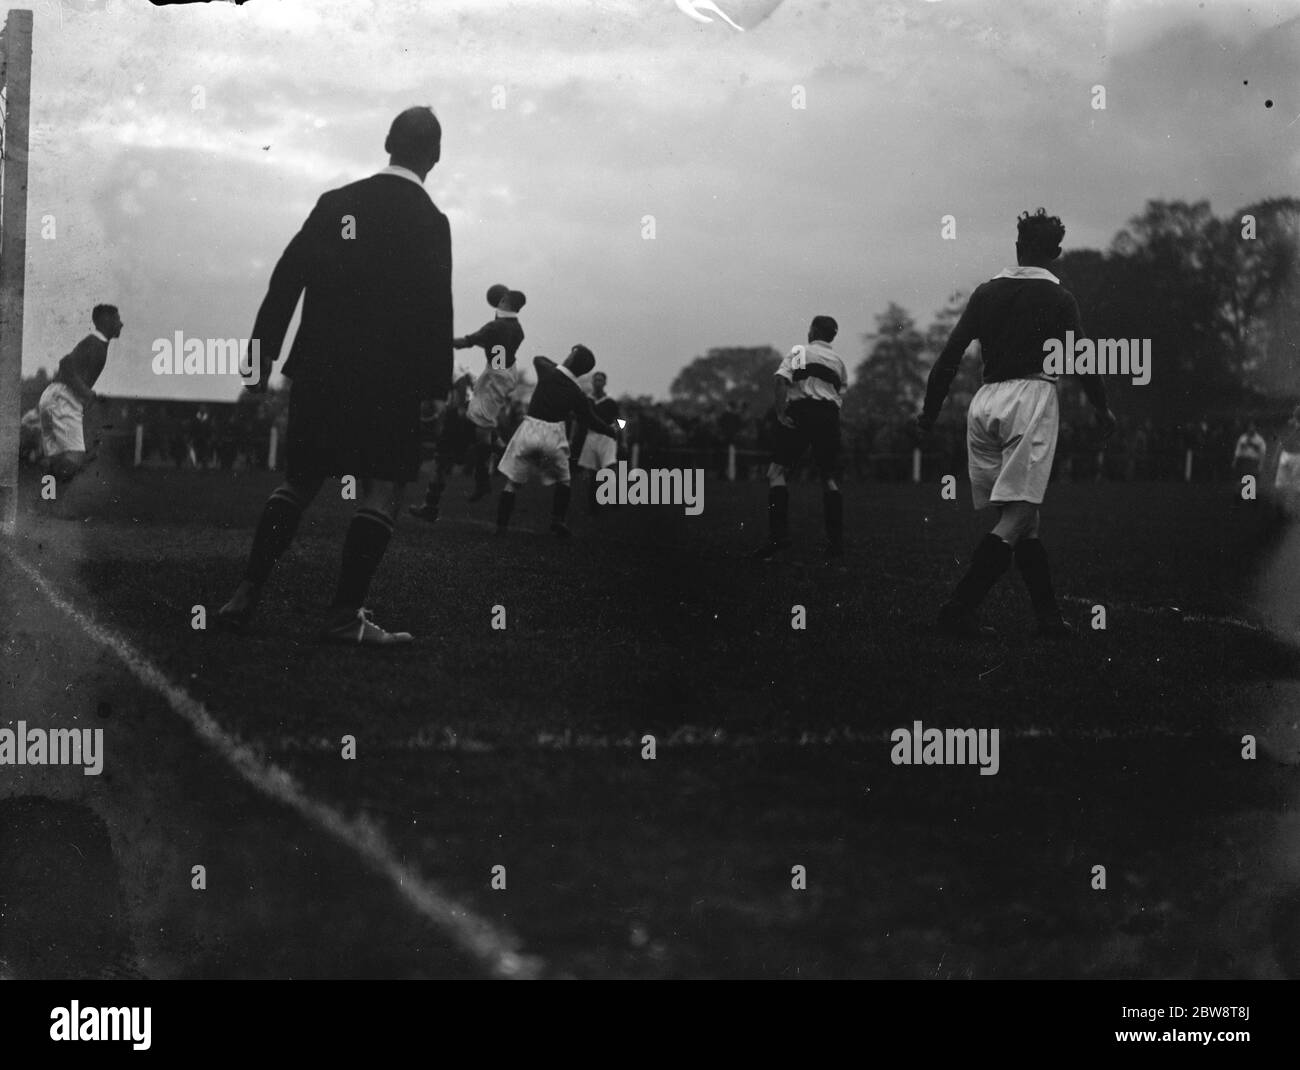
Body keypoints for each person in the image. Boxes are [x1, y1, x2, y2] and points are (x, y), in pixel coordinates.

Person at [217, 106, 454, 645]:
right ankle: (345, 618)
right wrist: (435, 388)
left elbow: (286, 280)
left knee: (298, 481)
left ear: (387, 141)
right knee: (382, 490)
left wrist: (259, 358)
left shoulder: (336, 202)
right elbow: (436, 310)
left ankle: (246, 592)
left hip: (321, 368)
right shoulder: (431, 221)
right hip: (390, 381)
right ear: (435, 158)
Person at [915, 208, 1117, 638]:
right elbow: (1081, 361)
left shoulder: (986, 293)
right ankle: (959, 608)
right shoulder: (1061, 300)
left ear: (1018, 247)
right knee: (1018, 516)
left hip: (985, 404)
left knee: (1026, 520)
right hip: (1030, 401)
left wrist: (930, 412)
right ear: (1056, 253)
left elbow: (949, 355)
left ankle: (1047, 619)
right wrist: (1102, 408)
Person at [411, 284, 524, 518]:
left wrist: (440, 341)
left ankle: (490, 469)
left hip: (487, 385)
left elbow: (467, 343)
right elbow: (496, 342)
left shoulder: (495, 328)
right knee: (451, 451)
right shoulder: (514, 327)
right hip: (496, 377)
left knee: (453, 448)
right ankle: (491, 461)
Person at [494, 345, 619, 537]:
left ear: (570, 359)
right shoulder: (578, 393)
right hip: (554, 436)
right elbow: (590, 419)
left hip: (530, 430)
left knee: (513, 483)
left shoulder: (547, 371)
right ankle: (557, 520)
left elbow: (538, 358)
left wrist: (566, 365)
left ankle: (501, 525)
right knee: (564, 481)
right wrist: (612, 431)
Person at [754, 315, 848, 559]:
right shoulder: (838, 361)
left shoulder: (800, 351)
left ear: (813, 331)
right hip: (828, 416)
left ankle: (778, 537)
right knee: (829, 478)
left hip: (801, 412)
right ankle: (835, 543)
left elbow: (780, 379)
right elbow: (840, 391)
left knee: (776, 472)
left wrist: (780, 412)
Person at [38, 305, 124, 486]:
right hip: (64, 398)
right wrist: (86, 392)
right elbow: (65, 364)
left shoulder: (97, 344)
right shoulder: (95, 343)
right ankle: (35, 462)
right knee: (75, 460)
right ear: (106, 322)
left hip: (56, 395)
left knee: (61, 458)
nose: (121, 324)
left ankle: (46, 502)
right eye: (117, 319)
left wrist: (87, 396)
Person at [576, 371, 621, 514]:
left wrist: (618, 430)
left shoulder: (610, 402)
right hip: (591, 437)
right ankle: (593, 505)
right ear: (592, 382)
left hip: (607, 438)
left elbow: (622, 421)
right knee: (592, 473)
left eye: (601, 380)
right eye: (596, 380)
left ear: (605, 383)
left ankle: (615, 497)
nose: (598, 383)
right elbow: (579, 421)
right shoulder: (586, 400)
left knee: (611, 468)